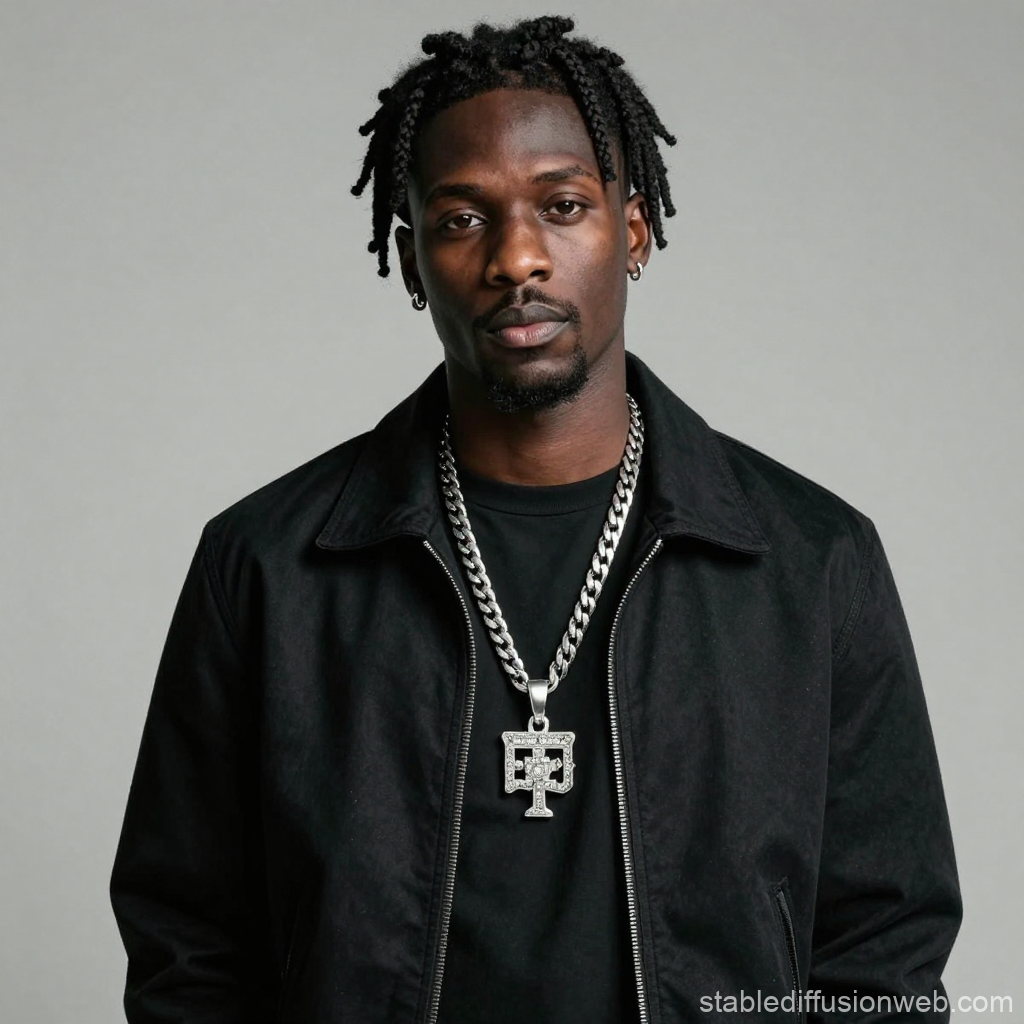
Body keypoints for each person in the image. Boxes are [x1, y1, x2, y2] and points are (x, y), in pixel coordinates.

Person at [110, 15, 961, 1023]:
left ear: (632, 229)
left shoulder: (810, 559)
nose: (518, 256)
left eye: (561, 205)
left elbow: (885, 944)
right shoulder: (267, 563)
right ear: (413, 258)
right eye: (464, 218)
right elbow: (189, 945)